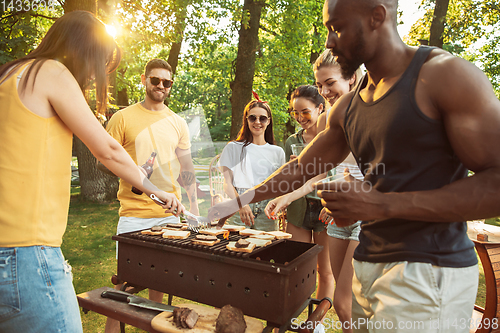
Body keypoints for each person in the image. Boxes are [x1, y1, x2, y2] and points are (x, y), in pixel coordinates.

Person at [209, 0, 500, 331]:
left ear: (377, 16)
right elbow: (301, 168)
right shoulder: (348, 106)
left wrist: (380, 204)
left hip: (427, 271)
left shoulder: (444, 75)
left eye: (337, 28)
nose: (330, 42)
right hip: (368, 266)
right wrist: (240, 200)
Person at [0, 11, 183, 333]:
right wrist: (160, 193)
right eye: (100, 64)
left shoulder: (10, 74)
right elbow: (108, 150)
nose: (93, 76)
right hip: (25, 253)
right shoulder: (51, 72)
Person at [98, 58, 199, 333]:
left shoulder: (177, 122)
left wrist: (193, 206)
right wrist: (133, 173)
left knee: (162, 284)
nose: (161, 86)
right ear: (144, 80)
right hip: (133, 216)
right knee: (122, 283)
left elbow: (187, 169)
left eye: (167, 82)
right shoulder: (122, 117)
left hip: (169, 217)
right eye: (156, 80)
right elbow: (102, 161)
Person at [266, 50, 363, 332]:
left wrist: (344, 190)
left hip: (363, 214)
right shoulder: (333, 117)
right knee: (349, 307)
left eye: (329, 83)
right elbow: (312, 174)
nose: (324, 91)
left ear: (352, 78)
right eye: (319, 85)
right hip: (338, 217)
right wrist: (284, 198)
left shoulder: (371, 111)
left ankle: (317, 323)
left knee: (346, 303)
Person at [264, 85, 335, 306]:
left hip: (325, 208)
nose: (299, 118)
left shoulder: (333, 137)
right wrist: (282, 198)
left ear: (319, 108)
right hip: (298, 208)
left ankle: (317, 324)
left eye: (304, 111)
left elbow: (336, 174)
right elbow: (289, 179)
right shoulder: (292, 141)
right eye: (295, 112)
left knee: (325, 270)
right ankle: (292, 316)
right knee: (296, 266)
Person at [218, 95, 285, 231]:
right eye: (252, 117)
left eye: (263, 118)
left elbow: (280, 185)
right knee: (236, 249)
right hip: (239, 207)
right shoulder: (233, 148)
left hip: (267, 210)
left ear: (269, 121)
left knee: (266, 250)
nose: (257, 122)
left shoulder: (278, 152)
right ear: (246, 120)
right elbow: (227, 184)